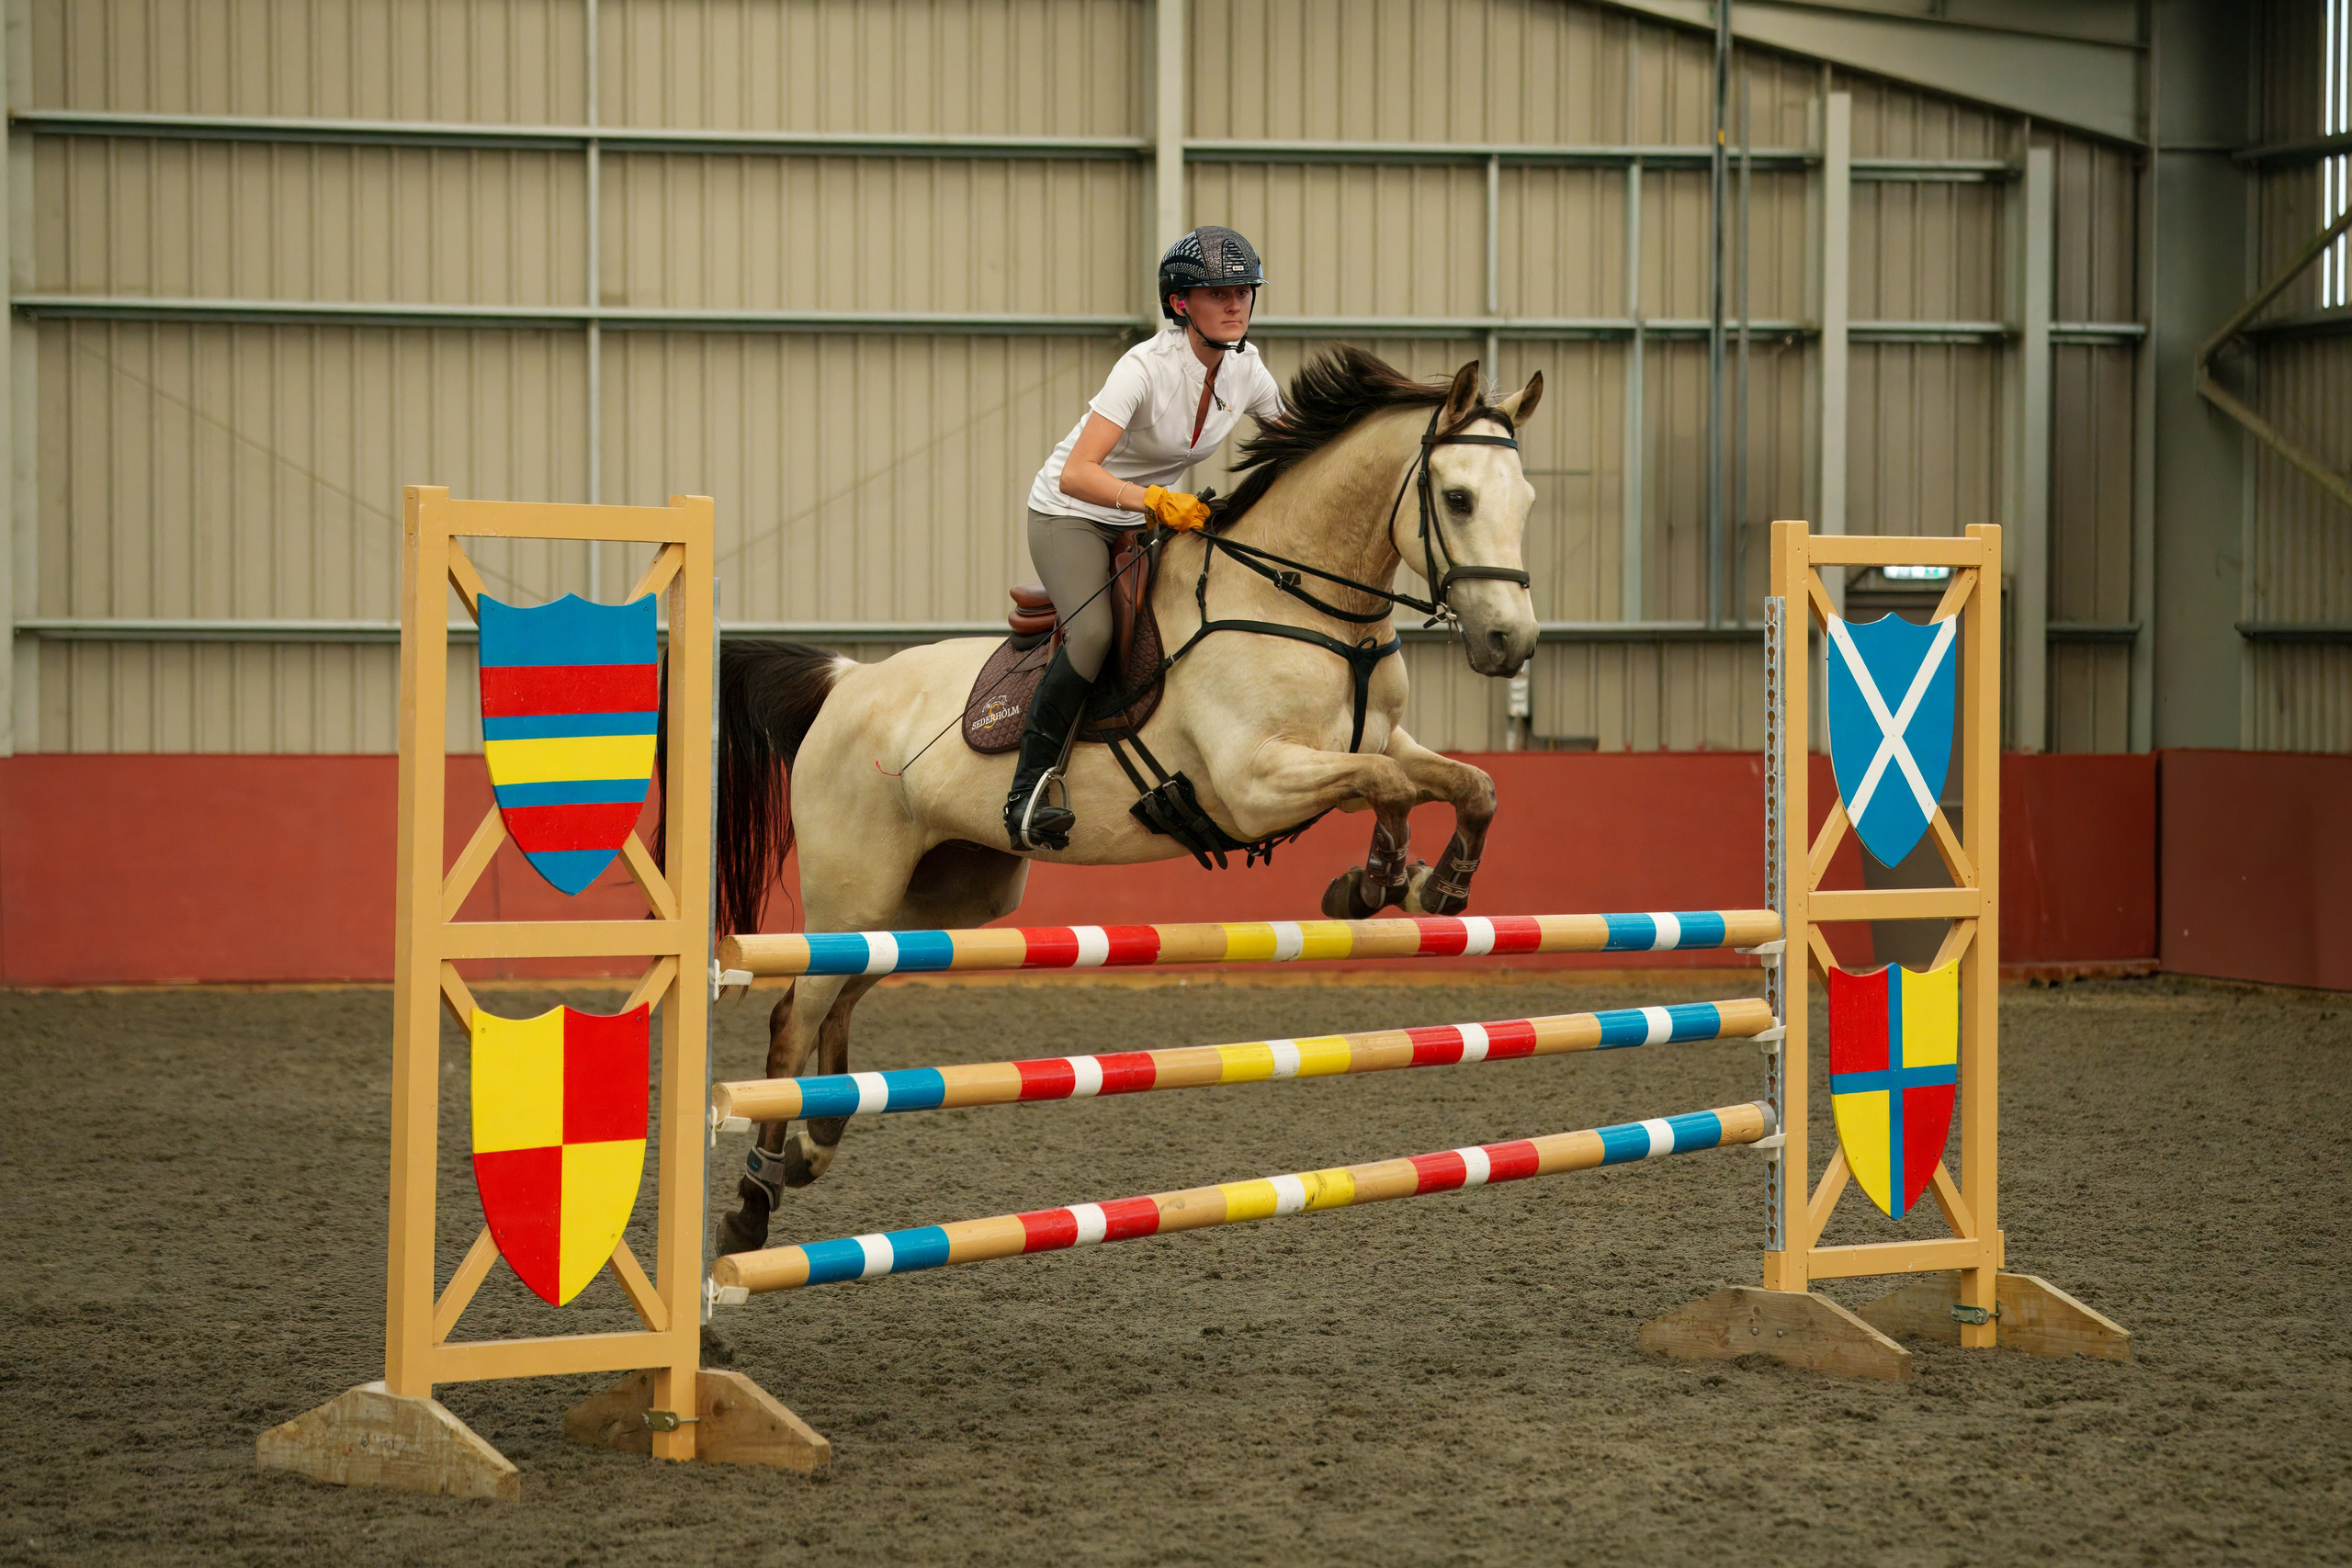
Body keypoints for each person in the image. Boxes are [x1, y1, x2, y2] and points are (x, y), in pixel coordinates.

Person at [1005, 224, 1286, 851]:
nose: (1236, 303)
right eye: (1219, 292)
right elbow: (1080, 472)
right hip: (1070, 512)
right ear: (1182, 303)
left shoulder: (1250, 371)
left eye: (1244, 290)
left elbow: (1296, 450)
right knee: (1098, 632)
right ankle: (1026, 791)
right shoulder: (1143, 367)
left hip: (1144, 520)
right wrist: (1155, 499)